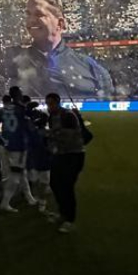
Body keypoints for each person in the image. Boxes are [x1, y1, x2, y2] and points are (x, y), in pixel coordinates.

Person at [46, 93, 88, 234]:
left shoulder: (67, 115)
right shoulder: (51, 117)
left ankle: (69, 220)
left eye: (51, 104)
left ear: (58, 103)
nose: (49, 107)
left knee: (67, 187)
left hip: (74, 154)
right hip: (61, 154)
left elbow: (71, 136)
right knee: (54, 184)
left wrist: (50, 133)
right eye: (48, 104)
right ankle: (63, 213)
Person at [0, 95, 38, 213]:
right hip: (18, 147)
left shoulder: (3, 110)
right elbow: (29, 129)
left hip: (9, 145)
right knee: (15, 176)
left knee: (21, 173)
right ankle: (5, 202)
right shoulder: (21, 111)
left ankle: (29, 197)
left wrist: (1, 140)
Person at [26, 113, 53, 215]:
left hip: (34, 161)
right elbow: (51, 149)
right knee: (44, 183)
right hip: (44, 162)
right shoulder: (47, 134)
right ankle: (42, 202)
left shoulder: (33, 133)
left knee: (35, 181)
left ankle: (37, 198)